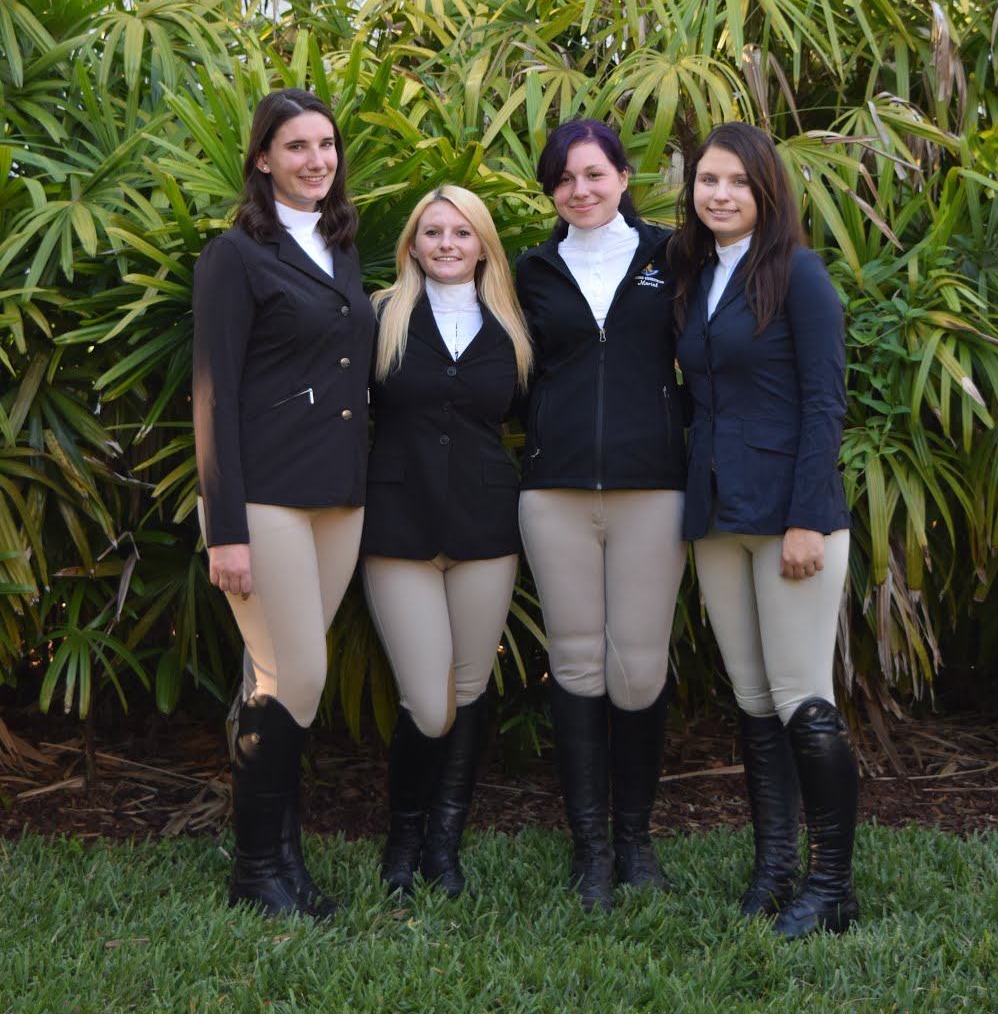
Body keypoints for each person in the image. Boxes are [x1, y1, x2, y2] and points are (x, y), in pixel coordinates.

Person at [670, 120, 858, 939]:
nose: (719, 194)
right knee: (751, 699)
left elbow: (824, 402)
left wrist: (808, 517)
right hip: (717, 514)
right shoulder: (697, 274)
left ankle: (832, 885)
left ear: (765, 190)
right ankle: (774, 868)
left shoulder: (799, 274)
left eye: (736, 182)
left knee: (800, 698)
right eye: (706, 180)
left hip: (789, 517)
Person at [192, 86, 374, 920]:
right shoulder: (234, 255)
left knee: (279, 681)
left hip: (336, 497)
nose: (316, 160)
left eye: (326, 145)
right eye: (296, 146)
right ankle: (255, 871)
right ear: (262, 158)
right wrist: (225, 531)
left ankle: (283, 862)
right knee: (295, 673)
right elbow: (214, 395)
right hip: (262, 497)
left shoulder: (340, 247)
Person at [515, 118, 687, 913]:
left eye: (592, 174)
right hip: (554, 494)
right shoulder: (530, 270)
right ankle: (590, 850)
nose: (578, 190)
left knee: (637, 669)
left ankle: (635, 843)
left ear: (622, 176)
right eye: (563, 179)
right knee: (577, 664)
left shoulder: (671, 257)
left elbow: (711, 354)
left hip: (652, 489)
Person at [362, 185, 533, 899]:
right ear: (412, 244)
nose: (446, 244)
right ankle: (401, 841)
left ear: (483, 245)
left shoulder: (513, 327)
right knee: (428, 703)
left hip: (485, 526)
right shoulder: (380, 316)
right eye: (432, 232)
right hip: (398, 526)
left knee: (468, 689)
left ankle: (442, 847)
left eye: (461, 233)